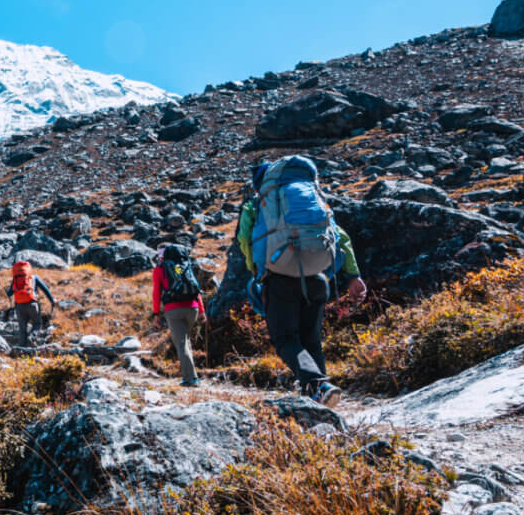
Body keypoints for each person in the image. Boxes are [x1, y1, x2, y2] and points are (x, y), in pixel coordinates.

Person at [237, 157, 367, 407]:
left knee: (285, 339)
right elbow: (340, 236)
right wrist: (353, 275)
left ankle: (318, 386)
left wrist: (258, 273)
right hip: (318, 277)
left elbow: (245, 241)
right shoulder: (314, 198)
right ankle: (320, 398)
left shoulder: (257, 205)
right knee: (311, 340)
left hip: (280, 279)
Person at [151, 243, 205, 387]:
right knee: (185, 341)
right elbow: (196, 289)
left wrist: (156, 313)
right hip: (192, 309)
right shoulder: (186, 266)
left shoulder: (160, 269)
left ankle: (191, 379)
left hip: (173, 310)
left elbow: (156, 293)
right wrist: (202, 310)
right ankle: (191, 374)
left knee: (181, 344)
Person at [6, 261, 56, 347]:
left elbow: (9, 293)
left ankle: (21, 349)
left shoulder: (15, 280)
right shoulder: (34, 278)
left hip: (19, 306)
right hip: (32, 304)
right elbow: (45, 290)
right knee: (37, 323)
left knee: (22, 329)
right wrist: (52, 300)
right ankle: (32, 338)